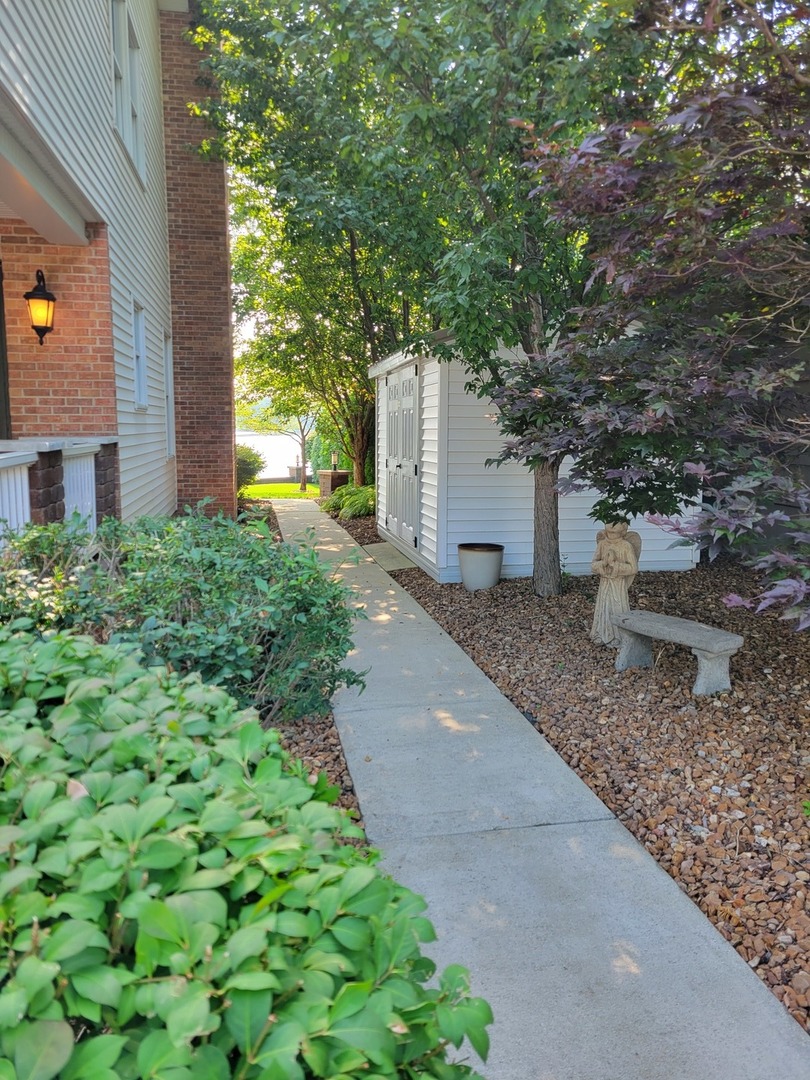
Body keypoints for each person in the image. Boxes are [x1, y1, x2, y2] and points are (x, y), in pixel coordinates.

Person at [590, 521, 642, 646]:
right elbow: (593, 564)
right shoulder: (602, 544)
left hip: (618, 584)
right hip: (605, 583)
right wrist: (602, 564)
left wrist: (616, 565)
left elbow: (633, 568)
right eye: (609, 531)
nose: (611, 534)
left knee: (617, 607)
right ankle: (601, 633)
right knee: (604, 607)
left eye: (615, 531)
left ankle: (618, 635)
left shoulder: (626, 546)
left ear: (622, 531)